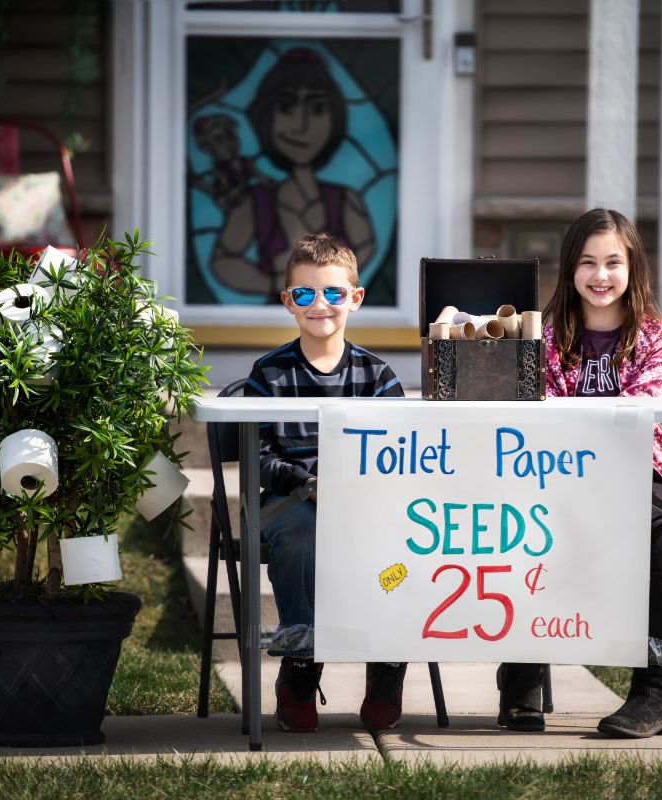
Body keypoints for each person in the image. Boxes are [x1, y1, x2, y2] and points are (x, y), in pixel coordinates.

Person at [496, 208, 662, 738]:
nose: (600, 276)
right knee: (518, 524)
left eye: (612, 263)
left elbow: (637, 411)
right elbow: (538, 406)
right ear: (569, 269)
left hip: (638, 471)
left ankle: (654, 692)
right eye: (587, 263)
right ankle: (521, 679)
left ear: (633, 269)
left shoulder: (660, 341)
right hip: (551, 470)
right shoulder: (544, 339)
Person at [244, 232, 406, 733]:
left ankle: (386, 658)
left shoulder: (377, 376)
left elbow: (398, 454)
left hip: (362, 500)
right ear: (287, 302)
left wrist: (351, 485)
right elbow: (258, 459)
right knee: (299, 532)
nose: (321, 304)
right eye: (306, 293)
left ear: (355, 299)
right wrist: (307, 481)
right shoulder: (267, 375)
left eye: (334, 293)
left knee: (403, 540)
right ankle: (300, 660)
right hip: (289, 501)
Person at [211, 48, 375, 299]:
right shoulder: (255, 203)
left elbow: (366, 245)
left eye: (317, 108)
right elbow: (223, 260)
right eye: (287, 107)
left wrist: (335, 284)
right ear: (266, 116)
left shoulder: (344, 200)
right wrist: (272, 283)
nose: (302, 125)